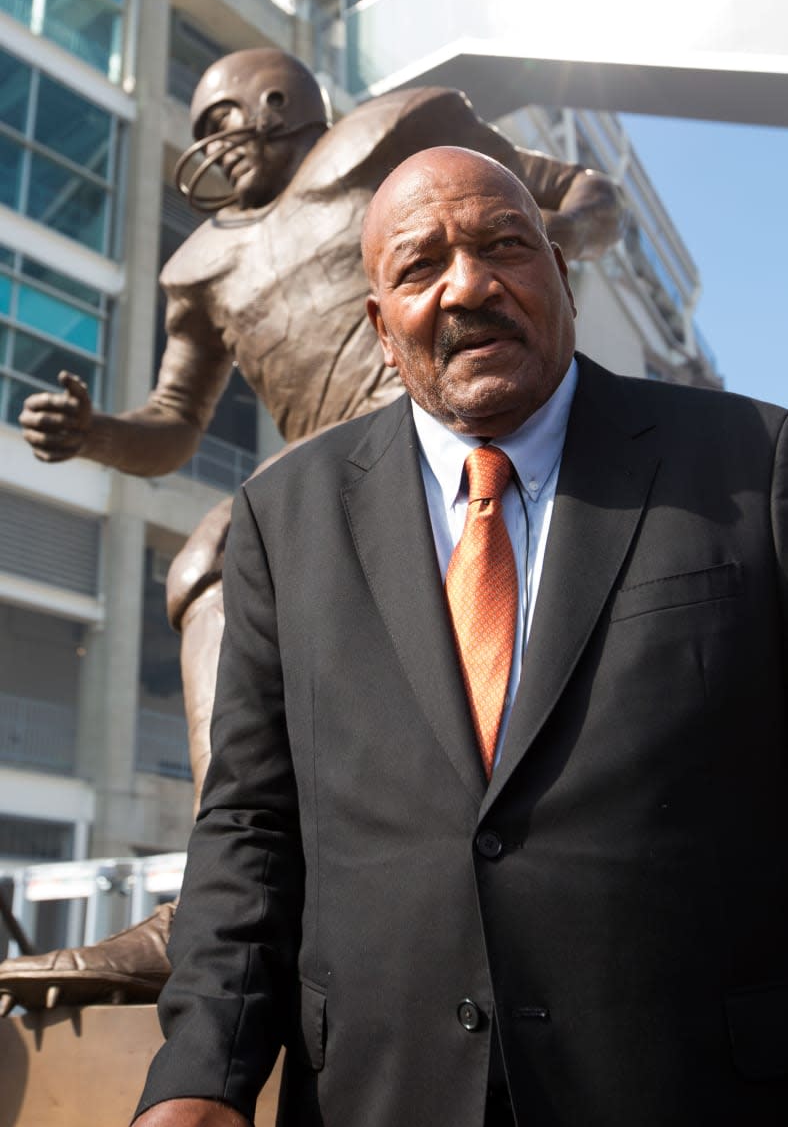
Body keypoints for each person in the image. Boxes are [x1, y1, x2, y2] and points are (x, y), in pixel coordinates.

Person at [131, 147, 788, 1127]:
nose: (467, 284)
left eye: (501, 245)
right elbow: (249, 829)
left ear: (559, 272)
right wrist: (198, 1078)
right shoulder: (282, 518)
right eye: (419, 266)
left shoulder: (751, 464)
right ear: (378, 331)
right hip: (379, 1091)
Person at [0, 50, 622, 1011]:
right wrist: (95, 436)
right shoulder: (202, 267)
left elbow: (580, 188)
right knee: (213, 553)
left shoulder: (402, 138)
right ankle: (220, 896)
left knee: (228, 541)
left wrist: (545, 244)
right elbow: (174, 423)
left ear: (277, 103)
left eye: (218, 118)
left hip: (432, 416)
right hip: (326, 482)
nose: (207, 145)